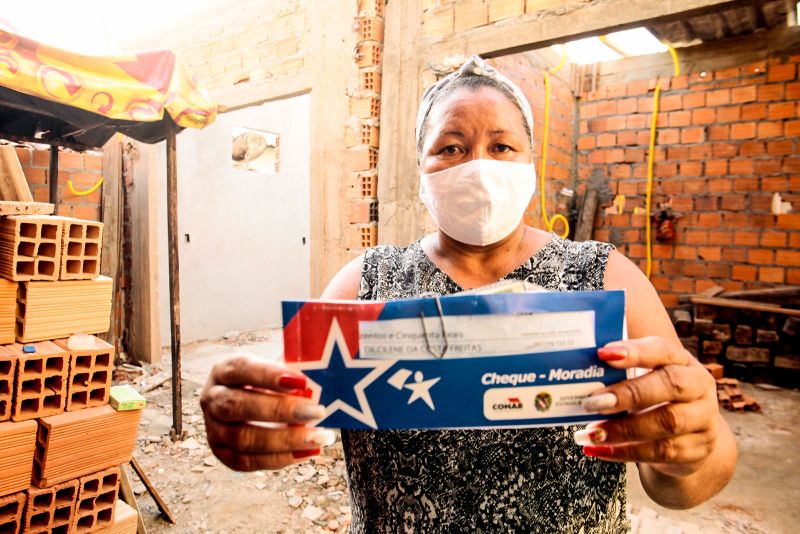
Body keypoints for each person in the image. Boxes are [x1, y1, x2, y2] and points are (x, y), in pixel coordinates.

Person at [201, 55, 737, 532]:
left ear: (530, 164)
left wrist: (690, 452)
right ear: (420, 172)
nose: (479, 166)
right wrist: (244, 421)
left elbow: (682, 483)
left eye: (501, 146)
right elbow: (277, 412)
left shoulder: (605, 279)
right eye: (451, 147)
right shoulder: (366, 286)